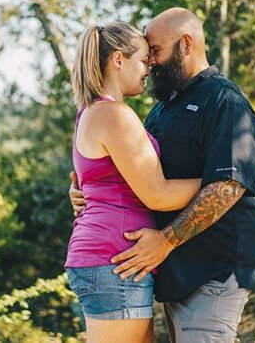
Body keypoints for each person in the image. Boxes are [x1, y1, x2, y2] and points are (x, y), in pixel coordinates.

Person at [69, 8, 255, 342]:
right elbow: (133, 178)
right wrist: (86, 191)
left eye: (156, 53)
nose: (151, 64)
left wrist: (237, 179)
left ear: (186, 44)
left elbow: (227, 186)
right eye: (145, 57)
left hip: (213, 265)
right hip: (164, 264)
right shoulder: (160, 111)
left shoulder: (224, 101)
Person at [66, 21, 203, 343]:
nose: (149, 67)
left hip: (112, 259)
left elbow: (95, 182)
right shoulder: (115, 114)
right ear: (117, 60)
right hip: (114, 260)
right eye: (143, 59)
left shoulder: (91, 112)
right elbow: (158, 194)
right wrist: (229, 178)